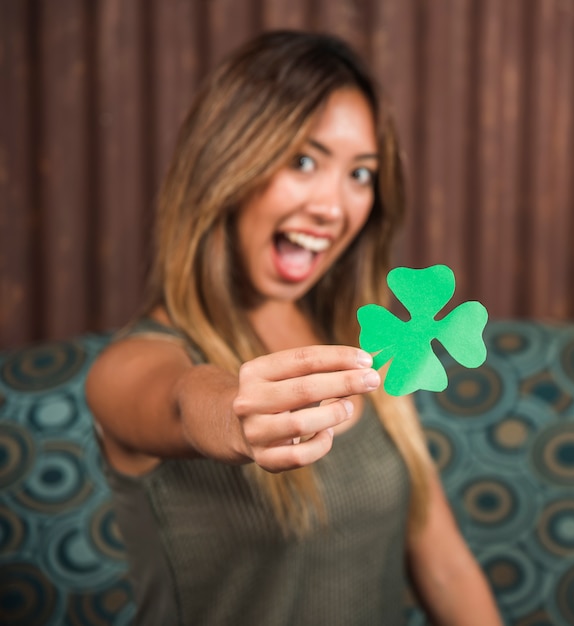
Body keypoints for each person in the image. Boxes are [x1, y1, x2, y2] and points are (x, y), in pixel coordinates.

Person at [86, 30, 503, 626]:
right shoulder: (128, 366)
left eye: (361, 174)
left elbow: (445, 567)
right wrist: (237, 416)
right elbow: (181, 401)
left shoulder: (372, 341)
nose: (334, 208)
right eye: (303, 162)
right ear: (226, 163)